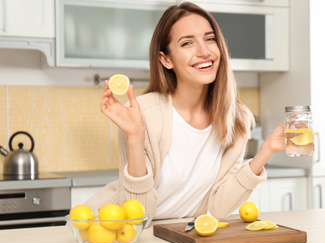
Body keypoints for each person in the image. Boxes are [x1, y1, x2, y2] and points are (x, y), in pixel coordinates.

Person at [86, 2, 285, 225]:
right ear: (166, 59)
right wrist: (135, 137)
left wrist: (266, 151)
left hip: (178, 233)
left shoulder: (237, 117)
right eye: (187, 43)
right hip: (109, 227)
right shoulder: (143, 114)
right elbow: (139, 217)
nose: (204, 51)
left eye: (210, 39)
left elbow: (220, 208)